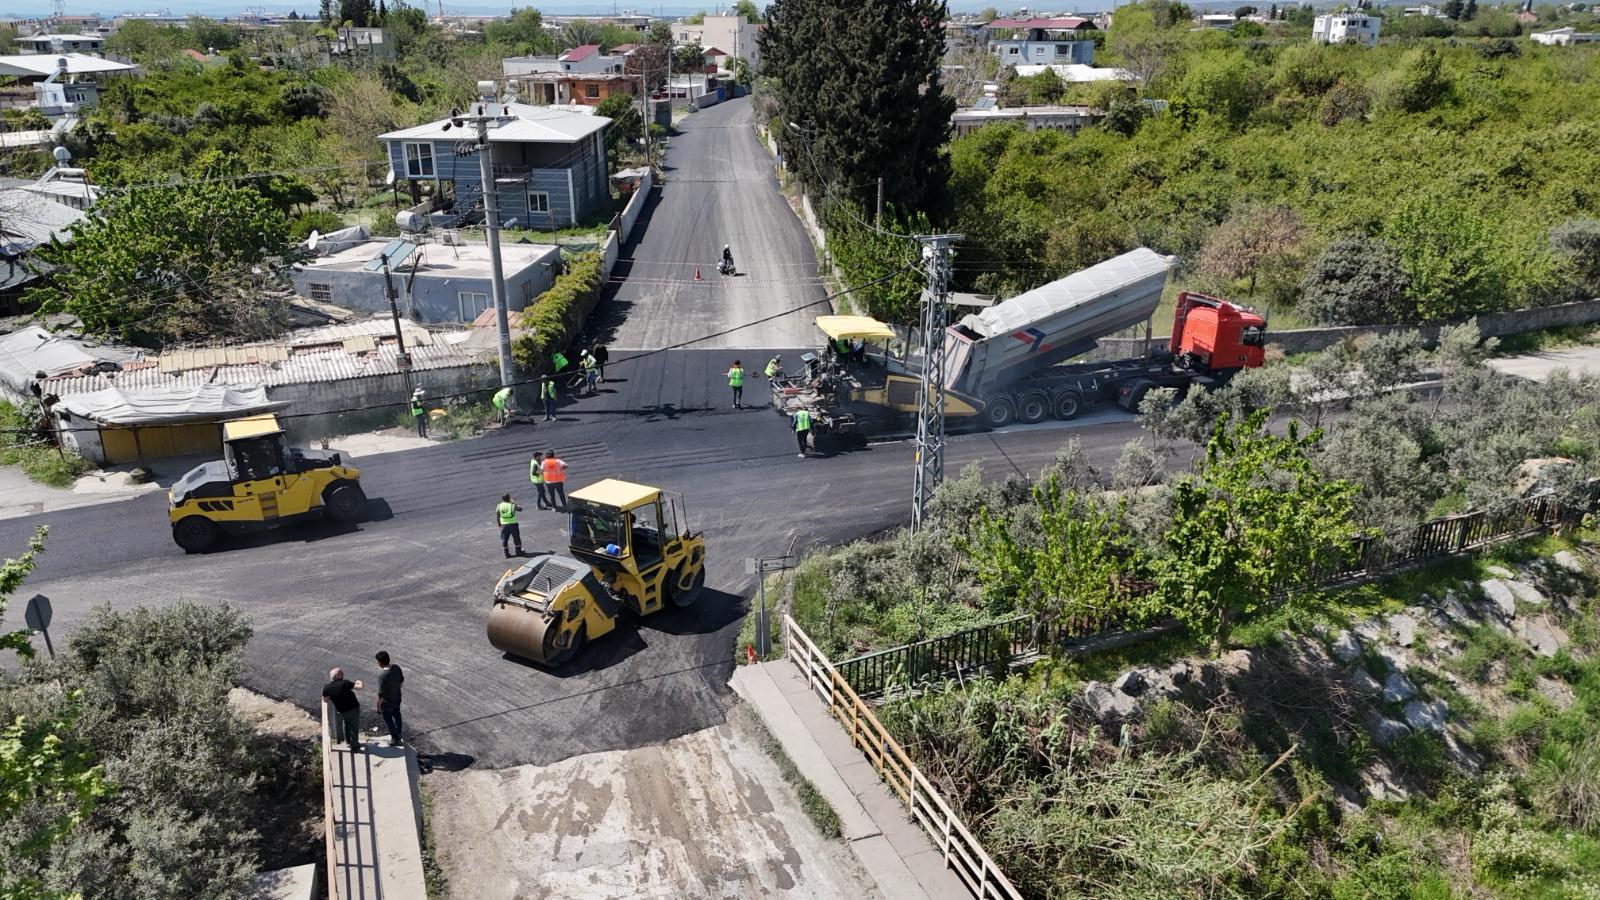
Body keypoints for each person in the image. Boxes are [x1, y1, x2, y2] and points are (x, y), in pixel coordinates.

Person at [322, 667, 364, 752]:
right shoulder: (345, 683)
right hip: (353, 709)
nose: (343, 674)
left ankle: (348, 741)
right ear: (337, 676)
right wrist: (359, 681)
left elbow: (325, 700)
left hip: (342, 711)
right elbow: (360, 687)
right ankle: (354, 746)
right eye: (341, 673)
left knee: (346, 725)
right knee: (354, 727)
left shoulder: (327, 687)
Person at [374, 651, 405, 748]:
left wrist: (378, 705)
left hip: (387, 702)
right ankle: (398, 733)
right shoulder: (396, 667)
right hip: (397, 697)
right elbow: (401, 681)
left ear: (380, 662)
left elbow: (381, 693)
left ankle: (396, 739)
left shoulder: (382, 676)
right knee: (397, 715)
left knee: (388, 720)